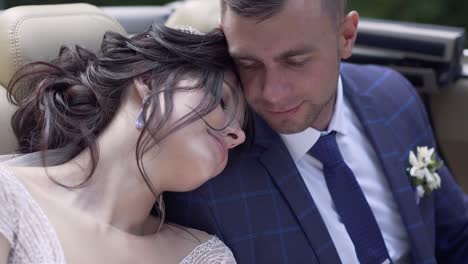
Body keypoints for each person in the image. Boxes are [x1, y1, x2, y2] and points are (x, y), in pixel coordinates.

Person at [165, 0, 468, 263]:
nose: (272, 93)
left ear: (346, 36)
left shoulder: (393, 98)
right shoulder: (208, 179)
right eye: (248, 63)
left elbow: (456, 236)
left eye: (295, 61)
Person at [0, 24, 246, 263]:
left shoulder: (207, 256)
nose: (237, 136)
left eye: (241, 128)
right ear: (149, 82)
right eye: (222, 101)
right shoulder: (8, 197)